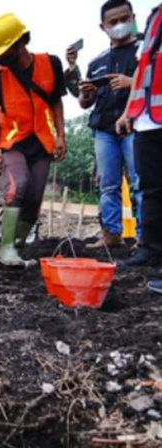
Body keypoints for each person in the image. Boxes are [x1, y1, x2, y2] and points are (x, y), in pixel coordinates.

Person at [0, 13, 68, 268]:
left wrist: (61, 136)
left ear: (20, 42)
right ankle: (5, 250)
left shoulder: (51, 64)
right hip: (13, 142)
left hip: (42, 142)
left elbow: (55, 101)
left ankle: (16, 248)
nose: (0, 56)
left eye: (5, 50)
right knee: (19, 186)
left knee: (34, 198)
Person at [65, 0, 142, 249]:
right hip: (104, 130)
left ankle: (145, 237)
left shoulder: (144, 54)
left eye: (124, 19)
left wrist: (132, 82)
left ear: (133, 17)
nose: (119, 25)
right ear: (103, 26)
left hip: (136, 127)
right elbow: (85, 103)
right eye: (113, 22)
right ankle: (110, 233)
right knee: (108, 184)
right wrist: (86, 93)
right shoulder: (97, 62)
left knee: (140, 183)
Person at [117, 2, 162, 282]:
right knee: (151, 188)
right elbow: (144, 69)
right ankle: (152, 249)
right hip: (148, 117)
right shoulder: (155, 16)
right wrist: (128, 112)